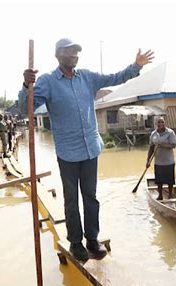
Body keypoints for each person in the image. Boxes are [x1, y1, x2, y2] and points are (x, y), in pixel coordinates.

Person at [19, 38, 154, 261]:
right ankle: (75, 242)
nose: (75, 55)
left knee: (90, 197)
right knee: (71, 200)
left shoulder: (88, 78)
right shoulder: (47, 82)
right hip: (68, 153)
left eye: (77, 52)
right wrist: (26, 86)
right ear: (58, 55)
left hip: (91, 149)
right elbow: (27, 108)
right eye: (70, 52)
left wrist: (136, 66)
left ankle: (92, 239)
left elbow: (116, 77)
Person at [146, 117, 176, 200]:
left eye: (162, 122)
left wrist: (163, 145)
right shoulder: (153, 134)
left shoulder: (170, 133)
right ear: (156, 124)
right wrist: (148, 160)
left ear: (164, 123)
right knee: (159, 180)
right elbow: (151, 148)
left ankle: (170, 194)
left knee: (170, 180)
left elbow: (173, 145)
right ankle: (160, 195)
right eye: (159, 122)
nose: (160, 124)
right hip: (158, 162)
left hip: (169, 161)